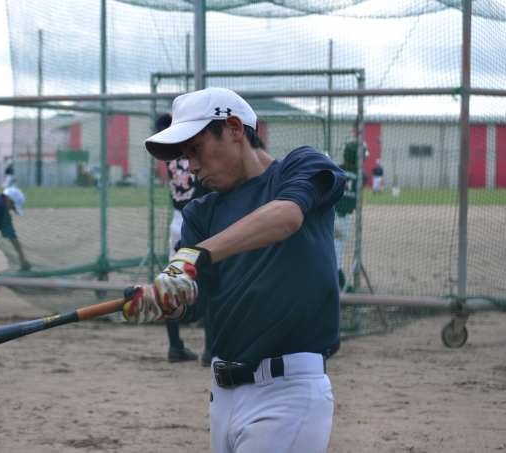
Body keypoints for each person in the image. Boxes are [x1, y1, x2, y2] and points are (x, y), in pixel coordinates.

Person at [122, 88, 345, 452]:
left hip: (287, 392)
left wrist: (196, 256)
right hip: (222, 395)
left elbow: (286, 216)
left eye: (196, 149)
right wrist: (168, 301)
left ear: (235, 128)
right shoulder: (201, 212)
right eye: (186, 156)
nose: (191, 166)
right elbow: (196, 301)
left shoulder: (301, 166)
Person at [156, 113, 214, 364]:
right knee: (210, 281)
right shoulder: (193, 151)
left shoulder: (168, 154)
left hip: (177, 221)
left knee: (173, 281)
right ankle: (210, 349)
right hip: (199, 220)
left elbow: (161, 123)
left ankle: (175, 346)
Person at [334, 140, 367, 290]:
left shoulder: (335, 168)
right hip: (343, 219)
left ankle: (338, 280)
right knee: (337, 251)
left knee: (329, 247)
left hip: (327, 214)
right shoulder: (362, 175)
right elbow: (356, 202)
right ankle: (341, 283)